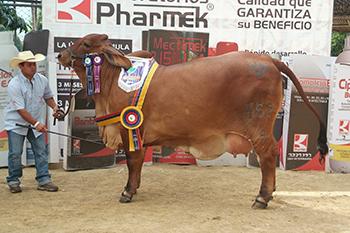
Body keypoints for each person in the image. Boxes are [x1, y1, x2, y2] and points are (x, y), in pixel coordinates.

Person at [4, 51, 60, 193]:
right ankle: (13, 180)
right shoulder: (14, 84)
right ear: (21, 67)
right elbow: (21, 110)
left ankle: (44, 179)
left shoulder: (42, 80)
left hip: (35, 121)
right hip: (16, 123)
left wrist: (54, 107)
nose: (33, 67)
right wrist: (36, 124)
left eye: (34, 64)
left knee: (41, 150)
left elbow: (48, 96)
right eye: (29, 65)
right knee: (15, 153)